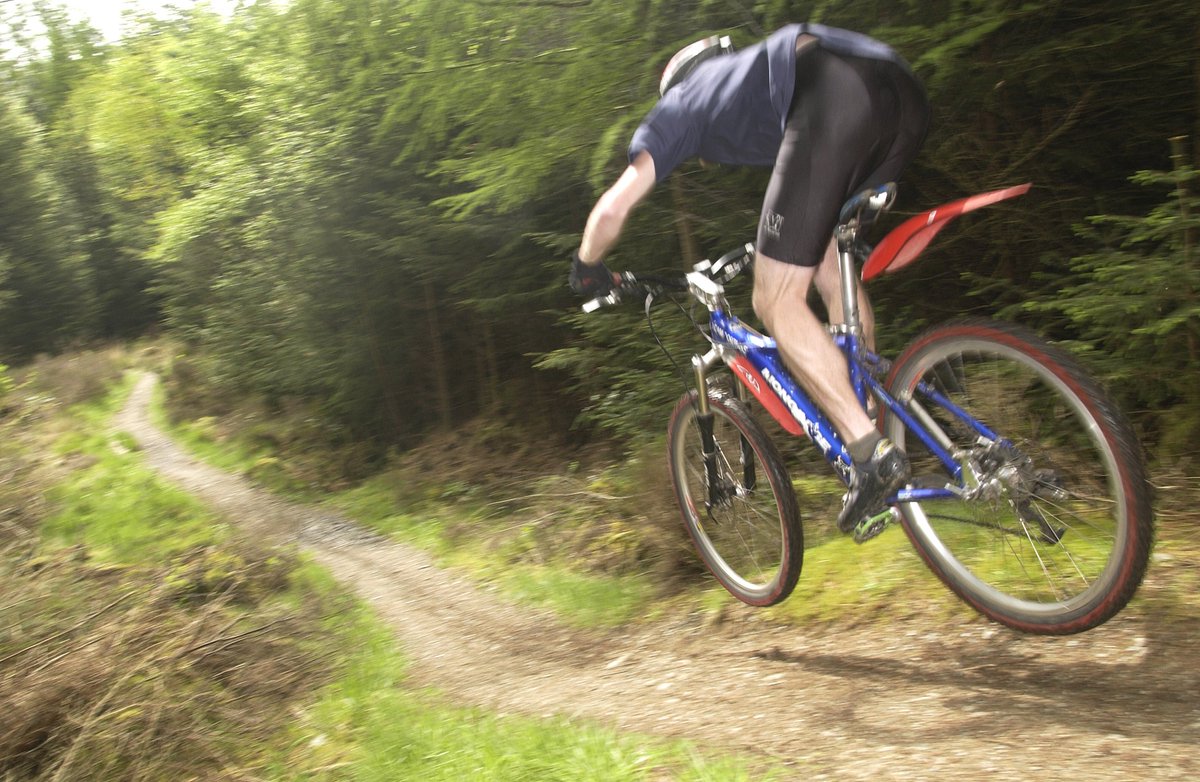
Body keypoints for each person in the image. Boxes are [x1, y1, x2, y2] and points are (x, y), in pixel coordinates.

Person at [568, 23, 931, 536]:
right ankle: (871, 416)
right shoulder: (750, 85)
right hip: (901, 92)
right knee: (831, 268)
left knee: (775, 300)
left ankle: (870, 454)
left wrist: (588, 268)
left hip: (833, 95)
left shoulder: (681, 104)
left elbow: (613, 209)